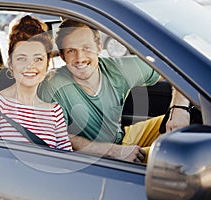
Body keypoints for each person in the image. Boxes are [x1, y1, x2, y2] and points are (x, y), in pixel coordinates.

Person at [38, 19, 190, 162]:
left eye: (86, 48)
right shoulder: (53, 86)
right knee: (178, 156)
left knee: (189, 126)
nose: (80, 57)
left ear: (99, 47)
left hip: (122, 139)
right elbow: (57, 138)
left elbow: (176, 70)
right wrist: (113, 151)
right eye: (71, 51)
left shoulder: (117, 69)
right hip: (98, 160)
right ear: (63, 56)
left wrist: (180, 108)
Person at [0, 15, 72, 151]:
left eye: (38, 59)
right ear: (11, 63)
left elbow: (67, 161)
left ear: (47, 64)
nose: (30, 66)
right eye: (22, 59)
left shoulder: (55, 111)